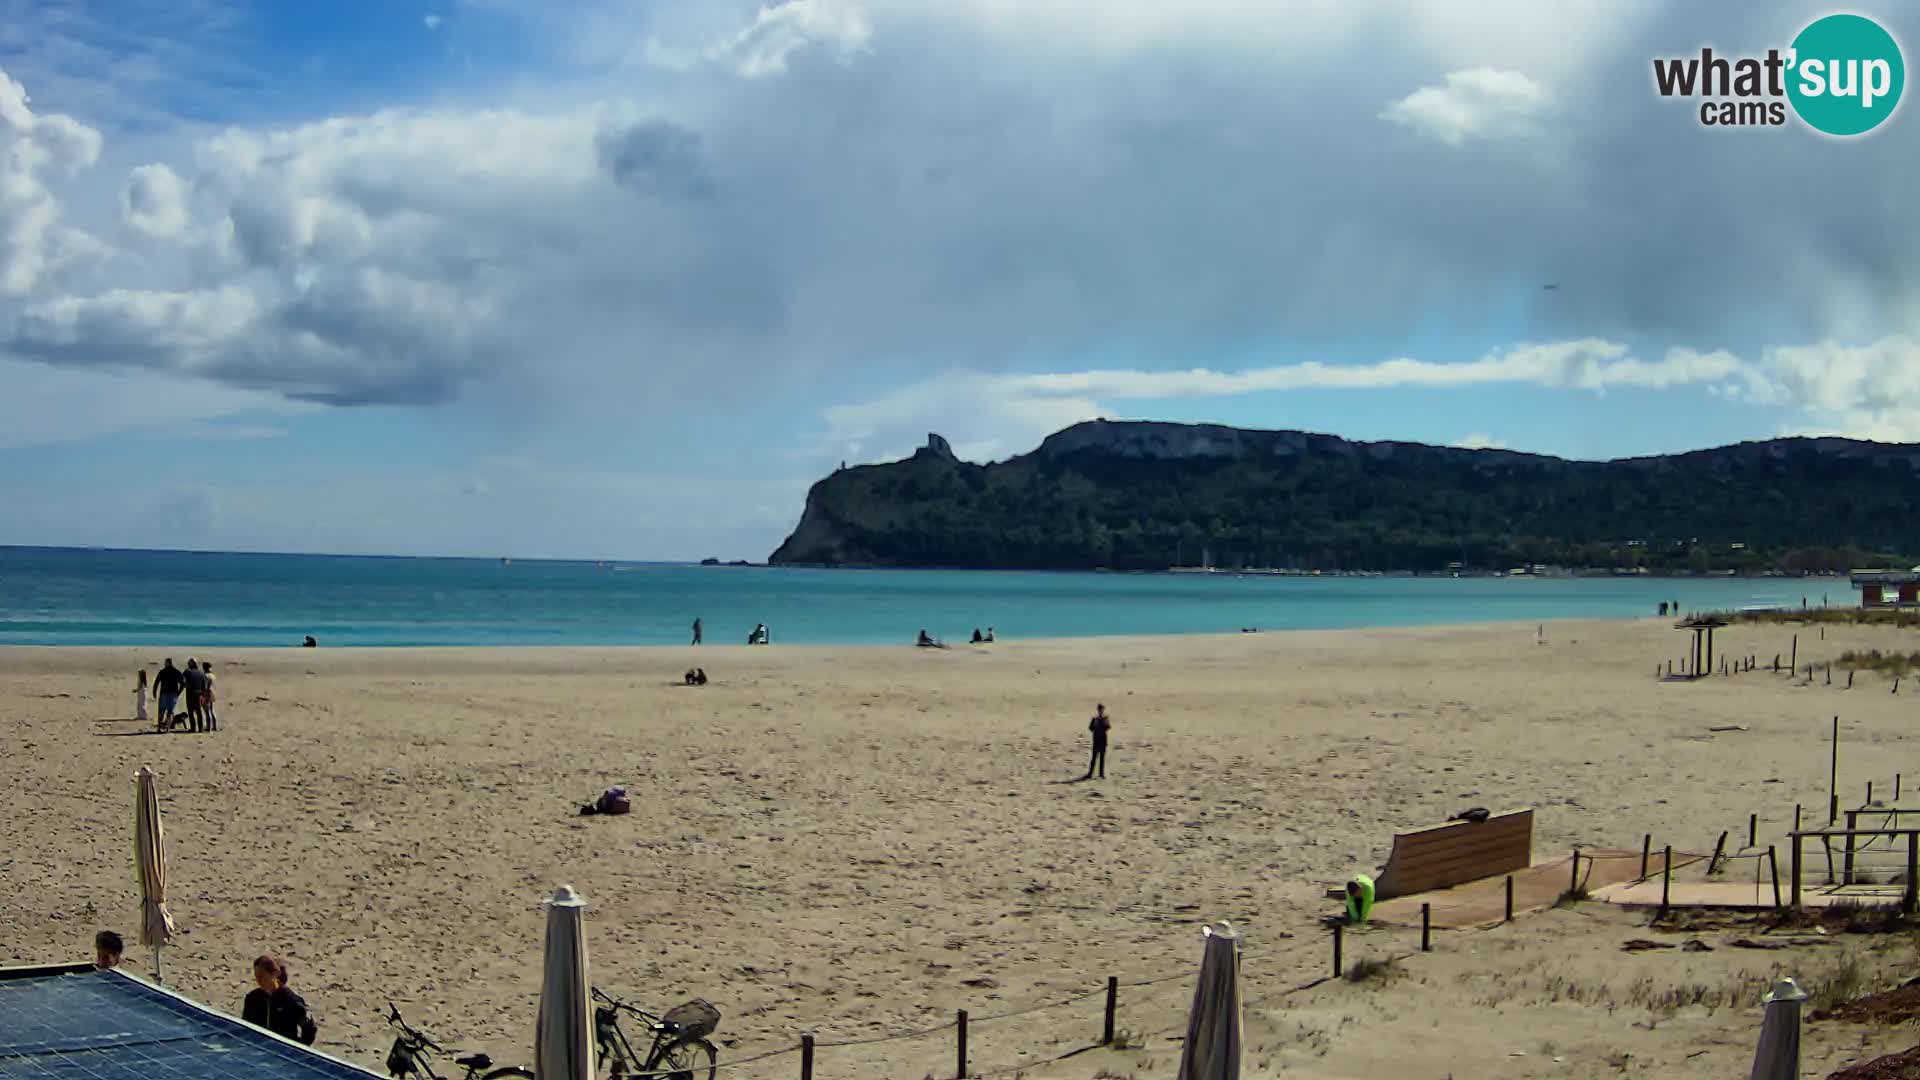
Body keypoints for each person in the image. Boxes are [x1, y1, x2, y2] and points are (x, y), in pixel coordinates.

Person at [243, 954, 318, 1045]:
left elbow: (309, 1028)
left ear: (274, 974)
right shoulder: (252, 998)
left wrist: (298, 1048)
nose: (259, 980)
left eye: (262, 976)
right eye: (256, 976)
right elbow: (245, 1027)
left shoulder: (291, 1000)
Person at [153, 659, 184, 731]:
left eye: (165, 663)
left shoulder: (162, 672)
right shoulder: (176, 672)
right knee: (170, 712)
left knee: (161, 711)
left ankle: (159, 728)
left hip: (164, 693)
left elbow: (156, 683)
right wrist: (178, 693)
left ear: (168, 663)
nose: (164, 664)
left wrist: (154, 693)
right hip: (173, 694)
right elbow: (182, 683)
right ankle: (167, 728)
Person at [1085, 703, 1111, 780]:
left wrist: (1105, 724)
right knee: (1094, 758)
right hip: (1096, 740)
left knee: (1102, 758)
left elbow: (1108, 727)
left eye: (1102, 709)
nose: (1101, 711)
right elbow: (1090, 728)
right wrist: (1095, 725)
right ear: (1098, 710)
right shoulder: (1095, 718)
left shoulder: (1105, 718)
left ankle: (1101, 774)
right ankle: (1090, 773)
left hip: (1103, 740)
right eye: (1100, 709)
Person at [183, 660, 207, 733]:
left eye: (188, 664)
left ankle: (193, 728)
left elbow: (183, 681)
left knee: (190, 712)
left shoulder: (188, 672)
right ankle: (200, 728)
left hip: (190, 694)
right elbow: (204, 686)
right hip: (199, 694)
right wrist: (203, 695)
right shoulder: (201, 673)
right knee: (198, 712)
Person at [201, 663, 218, 732]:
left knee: (207, 711)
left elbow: (205, 687)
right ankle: (214, 726)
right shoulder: (213, 675)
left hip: (207, 693)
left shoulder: (205, 676)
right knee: (212, 710)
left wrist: (203, 694)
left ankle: (208, 727)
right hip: (212, 693)